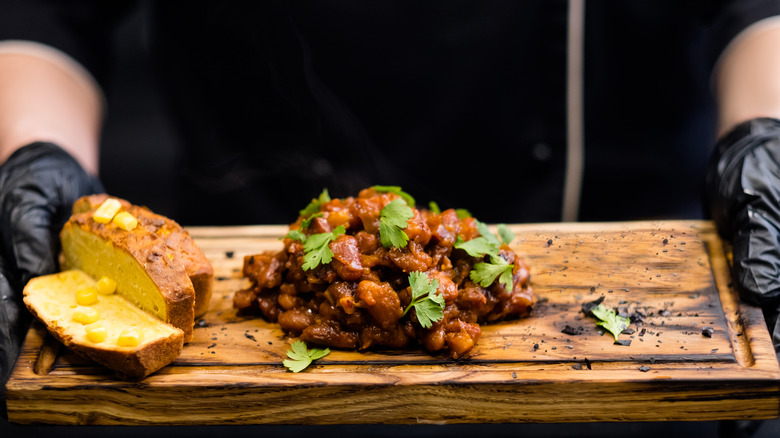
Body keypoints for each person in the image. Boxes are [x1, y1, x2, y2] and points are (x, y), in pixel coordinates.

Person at [1, 0, 780, 433]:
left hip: (638, 286)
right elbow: (47, 13)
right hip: (250, 286)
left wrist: (766, 135)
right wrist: (32, 154)